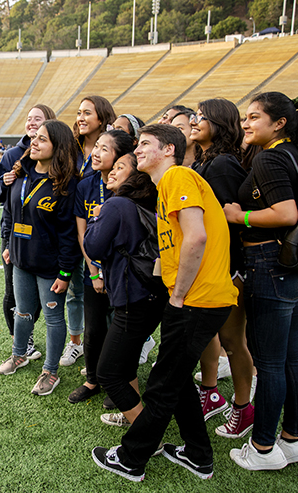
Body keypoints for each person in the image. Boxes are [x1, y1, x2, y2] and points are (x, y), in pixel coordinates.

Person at [92, 124, 237, 482]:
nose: (136, 149)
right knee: (175, 378)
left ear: (169, 149)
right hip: (200, 298)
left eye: (144, 144)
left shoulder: (176, 178)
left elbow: (196, 238)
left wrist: (177, 294)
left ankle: (131, 458)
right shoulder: (166, 187)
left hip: (197, 300)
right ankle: (198, 454)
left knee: (161, 382)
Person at [223, 92, 298, 470]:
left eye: (253, 117)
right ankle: (294, 439)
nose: (246, 124)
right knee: (291, 358)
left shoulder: (269, 156)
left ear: (279, 123)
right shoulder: (295, 155)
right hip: (296, 266)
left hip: (270, 263)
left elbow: (286, 212)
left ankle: (263, 448)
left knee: (269, 363)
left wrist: (240, 217)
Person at [0, 120, 81, 396]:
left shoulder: (67, 185)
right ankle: (19, 354)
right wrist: (10, 242)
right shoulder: (21, 173)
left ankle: (50, 371)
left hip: (50, 267)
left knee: (54, 320)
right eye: (35, 138)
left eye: (42, 139)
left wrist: (65, 273)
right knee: (22, 312)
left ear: (58, 147)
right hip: (21, 260)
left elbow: (70, 235)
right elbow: (11, 212)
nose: (34, 141)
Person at [189, 98, 255, 437]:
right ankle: (211, 393)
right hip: (209, 267)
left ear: (220, 122)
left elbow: (230, 223)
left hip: (227, 268)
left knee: (232, 340)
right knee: (207, 335)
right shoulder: (205, 161)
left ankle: (243, 407)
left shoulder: (224, 165)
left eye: (203, 116)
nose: (196, 120)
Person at [86, 151, 165, 427]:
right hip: (151, 293)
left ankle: (146, 433)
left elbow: (93, 246)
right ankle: (132, 416)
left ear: (135, 176)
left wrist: (96, 219)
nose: (113, 171)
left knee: (108, 372)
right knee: (128, 361)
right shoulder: (146, 203)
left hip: (133, 297)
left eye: (120, 167)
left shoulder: (117, 204)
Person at [68, 129, 135, 405]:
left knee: (122, 330)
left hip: (124, 272)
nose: (95, 152)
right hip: (94, 272)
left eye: (104, 149)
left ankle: (118, 382)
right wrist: (95, 271)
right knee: (94, 329)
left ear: (120, 157)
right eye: (96, 146)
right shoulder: (85, 186)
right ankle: (93, 380)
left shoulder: (132, 186)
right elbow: (83, 234)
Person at [0, 104, 56, 361]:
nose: (31, 123)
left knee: (39, 294)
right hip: (14, 234)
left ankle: (26, 335)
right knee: (14, 289)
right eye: (29, 119)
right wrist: (5, 183)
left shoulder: (57, 153)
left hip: (43, 236)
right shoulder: (12, 154)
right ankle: (20, 341)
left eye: (37, 119)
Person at [62, 95, 116, 368]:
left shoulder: (113, 151)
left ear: (102, 118)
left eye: (87, 113)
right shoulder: (72, 149)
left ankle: (109, 349)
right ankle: (76, 343)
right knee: (75, 291)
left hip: (99, 230)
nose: (80, 117)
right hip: (72, 227)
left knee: (104, 294)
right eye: (79, 112)